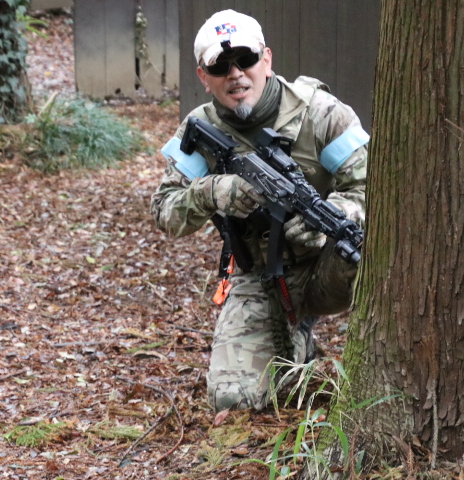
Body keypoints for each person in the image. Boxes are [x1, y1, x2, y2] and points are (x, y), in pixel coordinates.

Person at [150, 10, 368, 412]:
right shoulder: (199, 128)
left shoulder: (320, 112)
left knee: (367, 251)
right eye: (220, 66)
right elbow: (164, 211)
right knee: (233, 398)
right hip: (260, 277)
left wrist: (333, 215)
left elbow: (373, 189)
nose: (236, 74)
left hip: (332, 264)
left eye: (246, 59)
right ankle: (298, 347)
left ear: (266, 59)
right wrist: (213, 191)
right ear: (203, 77)